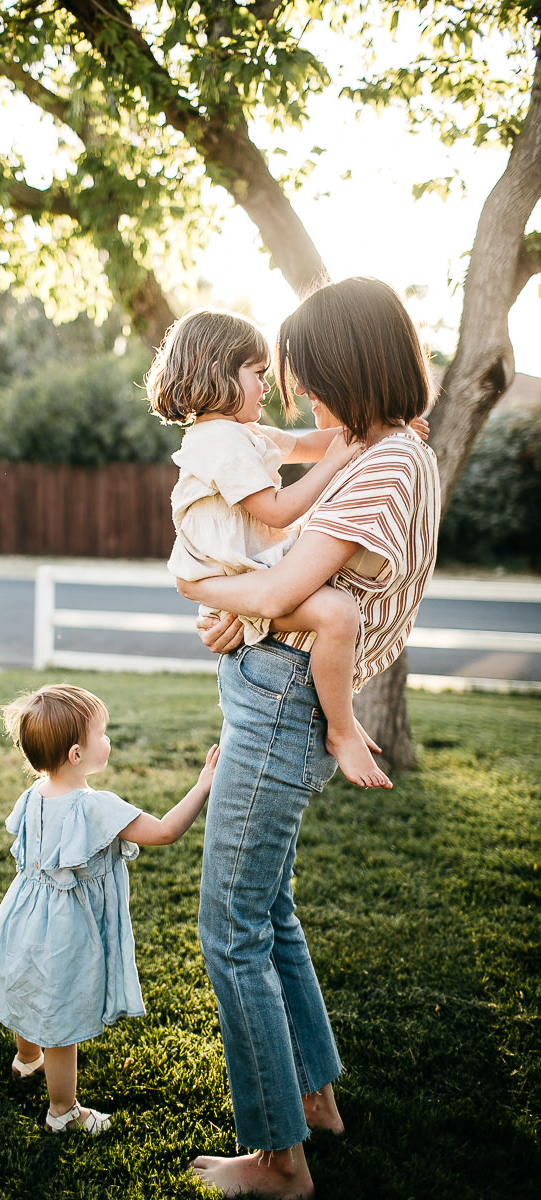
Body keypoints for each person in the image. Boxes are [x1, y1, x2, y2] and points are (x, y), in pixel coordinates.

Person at [175, 278, 441, 1198]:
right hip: (282, 683)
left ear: (346, 365)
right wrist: (249, 607)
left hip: (286, 700)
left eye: (306, 375)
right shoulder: (378, 448)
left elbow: (286, 587)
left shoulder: (387, 464)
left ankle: (280, 1162)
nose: (295, 396)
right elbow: (282, 584)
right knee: (269, 910)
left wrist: (210, 595)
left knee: (230, 929)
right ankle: (316, 1101)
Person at [148, 307, 416, 789]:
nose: (268, 387)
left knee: (336, 614)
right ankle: (340, 728)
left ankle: (340, 720)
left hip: (245, 574)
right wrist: (334, 463)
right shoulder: (218, 444)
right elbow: (275, 510)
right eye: (257, 374)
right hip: (231, 575)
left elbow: (308, 443)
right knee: (336, 614)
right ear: (219, 372)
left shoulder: (243, 435)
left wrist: (383, 431)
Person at [0, 683, 219, 1136]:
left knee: (27, 988)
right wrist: (203, 784)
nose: (109, 740)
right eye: (101, 733)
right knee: (61, 1020)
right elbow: (164, 831)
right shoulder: (97, 806)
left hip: (23, 918)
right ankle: (63, 1113)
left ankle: (27, 1060)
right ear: (75, 755)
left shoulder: (31, 798)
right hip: (68, 930)